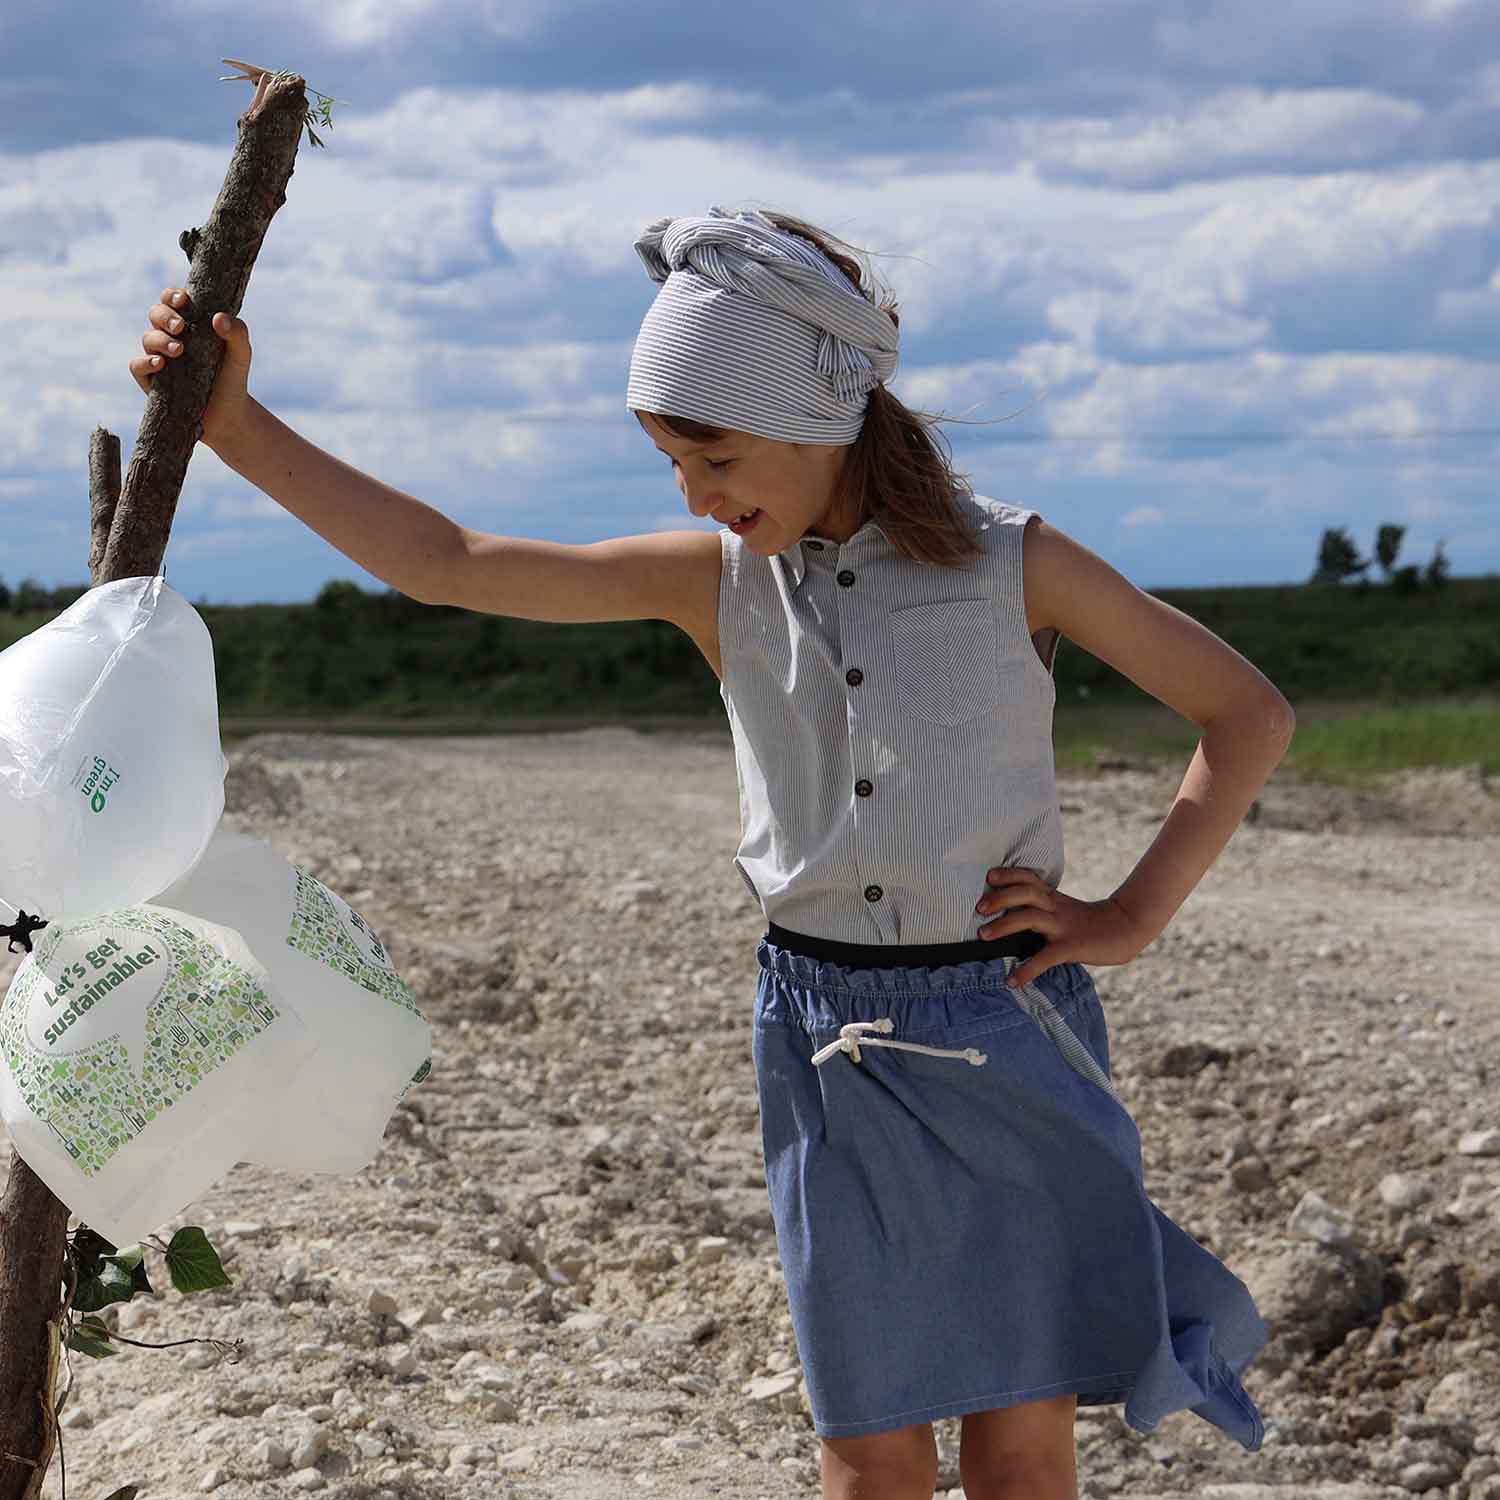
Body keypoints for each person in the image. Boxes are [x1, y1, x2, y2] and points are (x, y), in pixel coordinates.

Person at [131, 205, 1292, 1500]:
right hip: (823, 1035)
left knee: (1023, 1442)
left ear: (815, 420)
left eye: (714, 454)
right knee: (866, 1445)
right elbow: (448, 562)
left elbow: (1247, 713)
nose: (693, 494)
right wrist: (238, 427)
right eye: (673, 464)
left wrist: (1129, 916)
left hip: (1005, 1027)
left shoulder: (1018, 564)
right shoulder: (714, 583)